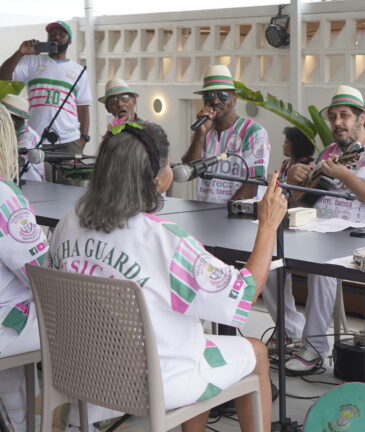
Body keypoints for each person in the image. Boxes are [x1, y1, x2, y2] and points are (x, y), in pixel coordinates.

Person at [47, 121, 286, 432]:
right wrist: (267, 225)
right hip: (154, 382)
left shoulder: (67, 224)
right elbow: (244, 294)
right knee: (255, 351)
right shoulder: (165, 241)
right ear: (156, 178)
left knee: (188, 338)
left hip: (85, 373)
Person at [261, 85, 365, 373]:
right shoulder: (328, 153)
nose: (337, 122)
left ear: (361, 118)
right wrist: (295, 178)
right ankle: (289, 328)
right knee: (268, 257)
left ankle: (314, 349)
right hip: (320, 233)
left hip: (363, 241)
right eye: (333, 117)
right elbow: (302, 199)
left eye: (345, 116)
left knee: (320, 266)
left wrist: (345, 176)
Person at [0, 104, 49, 432]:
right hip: (5, 325)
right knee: (91, 324)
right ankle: (76, 422)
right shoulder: (5, 198)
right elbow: (41, 275)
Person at [181, 65, 270, 204]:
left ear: (234, 99)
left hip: (239, 216)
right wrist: (200, 134)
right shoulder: (203, 131)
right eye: (209, 96)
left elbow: (254, 182)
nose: (215, 101)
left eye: (222, 95)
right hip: (204, 213)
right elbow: (188, 173)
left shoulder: (253, 132)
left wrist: (225, 210)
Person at [0, 21, 92, 153]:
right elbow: (3, 77)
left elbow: (83, 107)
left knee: (66, 174)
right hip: (36, 137)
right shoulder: (31, 61)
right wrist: (20, 53)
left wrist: (83, 138)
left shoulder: (78, 71)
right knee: (35, 174)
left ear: (69, 40)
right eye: (52, 34)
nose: (56, 37)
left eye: (61, 34)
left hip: (69, 139)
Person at [1, 93, 44, 182]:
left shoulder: (26, 139)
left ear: (13, 120)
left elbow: (10, 164)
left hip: (29, 183)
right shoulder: (17, 131)